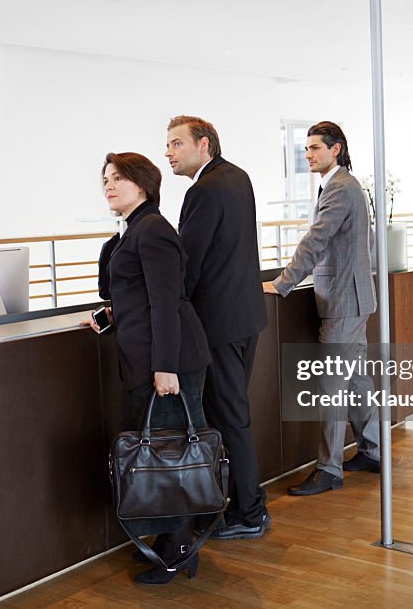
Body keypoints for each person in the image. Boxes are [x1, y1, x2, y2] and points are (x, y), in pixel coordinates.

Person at [89, 152, 211, 585]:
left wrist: (165, 367)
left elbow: (164, 303)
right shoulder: (135, 229)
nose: (108, 185)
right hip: (151, 357)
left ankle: (180, 549)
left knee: (170, 453)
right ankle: (170, 541)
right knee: (163, 448)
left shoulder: (153, 230)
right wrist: (110, 316)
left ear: (142, 184)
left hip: (169, 361)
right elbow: (138, 296)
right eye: (105, 178)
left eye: (117, 178)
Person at [165, 115, 271, 540]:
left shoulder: (203, 190)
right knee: (233, 413)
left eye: (176, 144)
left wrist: (171, 304)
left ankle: (250, 512)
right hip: (245, 316)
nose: (168, 153)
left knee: (230, 417)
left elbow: (188, 261)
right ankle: (241, 507)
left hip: (220, 322)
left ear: (203, 144)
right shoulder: (238, 177)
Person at [263, 121, 381, 496]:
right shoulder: (347, 185)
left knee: (332, 386)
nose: (309, 154)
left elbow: (315, 240)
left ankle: (329, 469)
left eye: (315, 148)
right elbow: (369, 241)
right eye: (306, 149)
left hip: (344, 301)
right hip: (353, 296)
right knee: (357, 380)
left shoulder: (340, 188)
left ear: (336, 148)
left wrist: (283, 283)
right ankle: (373, 450)